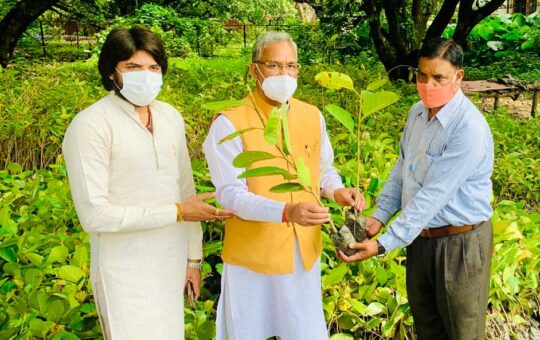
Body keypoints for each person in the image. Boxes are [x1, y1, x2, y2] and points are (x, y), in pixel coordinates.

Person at [62, 26, 235, 340]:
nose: (146, 75)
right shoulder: (90, 125)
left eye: (153, 68)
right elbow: (95, 215)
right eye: (133, 67)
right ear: (112, 72)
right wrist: (176, 212)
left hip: (170, 265)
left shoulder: (170, 116)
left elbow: (185, 191)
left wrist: (193, 259)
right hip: (124, 272)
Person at [203, 31, 366, 340]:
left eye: (291, 66)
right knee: (249, 331)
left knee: (304, 331)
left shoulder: (311, 115)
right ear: (255, 70)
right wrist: (286, 211)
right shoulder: (230, 122)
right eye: (274, 65)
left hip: (303, 251)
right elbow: (230, 195)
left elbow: (323, 168)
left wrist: (337, 191)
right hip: (253, 255)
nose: (284, 74)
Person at [338, 38, 494, 340]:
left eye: (439, 78)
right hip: (421, 238)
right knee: (427, 327)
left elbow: (433, 196)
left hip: (459, 242)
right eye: (422, 76)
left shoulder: (468, 128)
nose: (428, 85)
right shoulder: (417, 113)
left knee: (462, 331)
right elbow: (402, 169)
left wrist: (383, 244)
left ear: (458, 77)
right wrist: (380, 216)